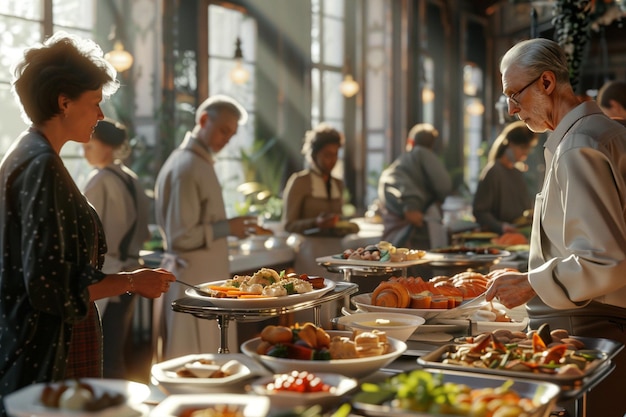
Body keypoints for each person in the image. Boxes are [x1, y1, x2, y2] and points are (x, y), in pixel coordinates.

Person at [0, 32, 175, 408]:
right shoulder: (41, 164)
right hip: (44, 355)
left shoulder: (31, 155)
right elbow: (51, 288)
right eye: (95, 102)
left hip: (38, 346)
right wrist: (130, 281)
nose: (100, 115)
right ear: (64, 102)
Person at [486, 38, 626, 417]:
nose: (513, 110)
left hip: (593, 326)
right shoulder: (598, 132)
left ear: (547, 83)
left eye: (515, 95)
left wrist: (530, 281)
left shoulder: (579, 145)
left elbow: (605, 260)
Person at [154, 95, 258, 360]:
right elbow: (180, 236)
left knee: (209, 355)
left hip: (204, 279)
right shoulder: (186, 166)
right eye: (224, 130)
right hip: (192, 280)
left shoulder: (198, 163)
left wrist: (228, 228)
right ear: (203, 120)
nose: (227, 139)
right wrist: (227, 228)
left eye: (232, 134)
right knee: (193, 359)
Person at [81, 118, 151, 379]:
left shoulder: (99, 180)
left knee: (103, 356)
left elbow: (87, 234)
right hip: (132, 272)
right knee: (116, 350)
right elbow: (143, 231)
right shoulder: (132, 179)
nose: (84, 151)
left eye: (90, 146)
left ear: (107, 148)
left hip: (107, 275)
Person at [282, 123, 351, 278]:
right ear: (314, 155)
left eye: (335, 154)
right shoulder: (300, 182)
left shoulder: (338, 184)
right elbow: (288, 224)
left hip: (336, 251)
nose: (332, 160)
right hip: (310, 251)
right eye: (327, 155)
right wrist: (315, 223)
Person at [377, 123, 452, 250]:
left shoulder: (408, 159)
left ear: (410, 141)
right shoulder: (429, 159)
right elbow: (444, 187)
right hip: (427, 225)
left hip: (414, 227)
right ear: (432, 144)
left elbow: (393, 181)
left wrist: (411, 205)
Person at [472, 121, 538, 234]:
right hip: (499, 236)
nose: (525, 154)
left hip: (520, 233)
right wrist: (501, 227)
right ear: (509, 144)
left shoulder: (518, 173)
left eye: (528, 149)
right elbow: (480, 211)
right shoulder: (493, 171)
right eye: (522, 147)